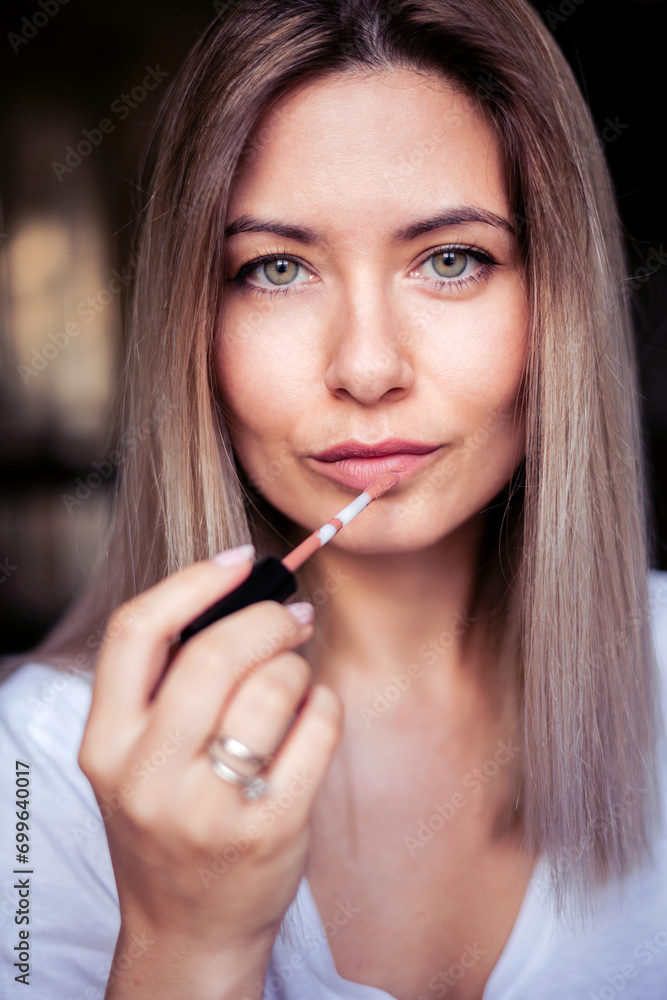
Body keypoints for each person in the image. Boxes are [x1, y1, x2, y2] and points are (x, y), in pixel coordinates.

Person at [1, 1, 666, 997]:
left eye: (450, 260)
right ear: (197, 327)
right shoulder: (36, 765)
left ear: (556, 305)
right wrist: (188, 945)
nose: (364, 368)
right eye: (277, 269)